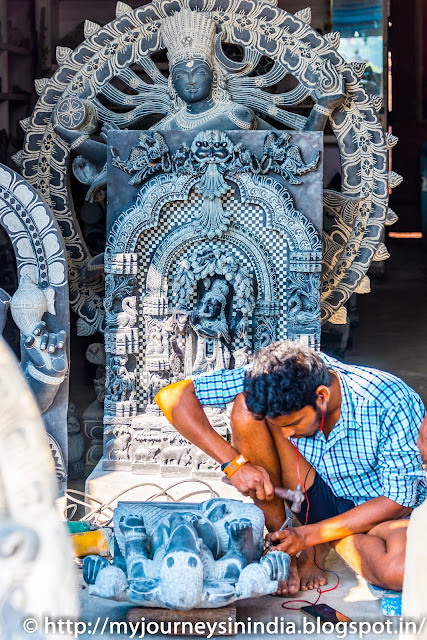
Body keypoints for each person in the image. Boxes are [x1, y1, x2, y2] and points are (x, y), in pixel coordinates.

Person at [155, 340, 426, 595]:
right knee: (246, 409)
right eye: (280, 426)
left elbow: (397, 501)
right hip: (313, 491)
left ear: (321, 396)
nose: (285, 436)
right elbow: (172, 397)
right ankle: (283, 546)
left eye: (293, 423)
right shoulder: (272, 376)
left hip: (380, 511)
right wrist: (233, 463)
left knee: (398, 572)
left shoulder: (388, 400)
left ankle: (326, 539)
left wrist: (309, 534)